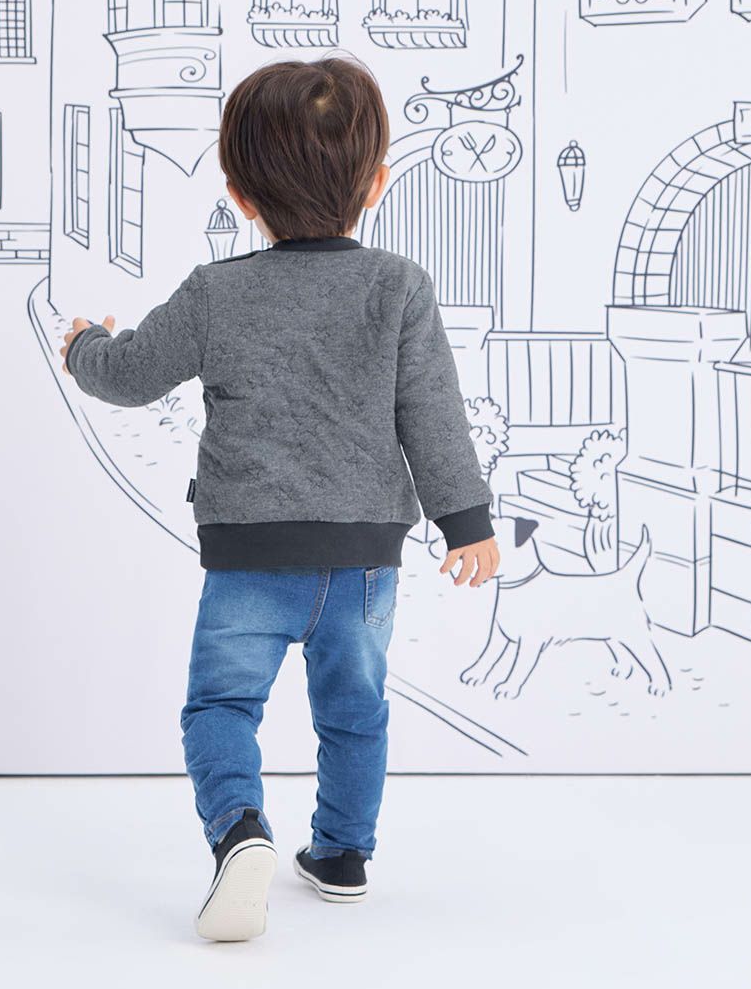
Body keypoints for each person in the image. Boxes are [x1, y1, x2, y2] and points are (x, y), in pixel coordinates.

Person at [60, 56, 499, 942]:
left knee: (222, 708)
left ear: (239, 195)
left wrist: (82, 348)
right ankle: (342, 855)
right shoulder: (399, 286)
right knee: (356, 711)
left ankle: (240, 832)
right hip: (364, 560)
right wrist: (468, 525)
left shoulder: (216, 291)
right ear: (376, 185)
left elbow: (133, 375)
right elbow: (434, 414)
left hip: (249, 559)